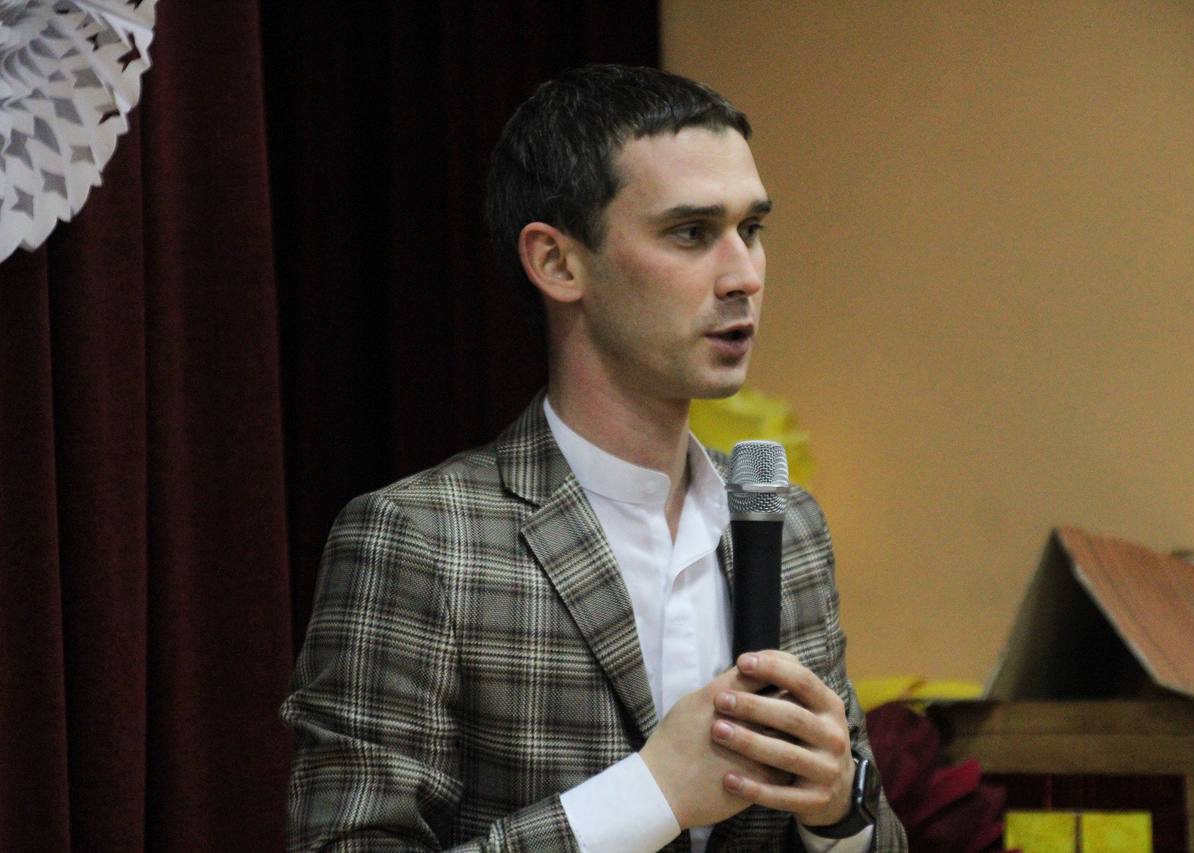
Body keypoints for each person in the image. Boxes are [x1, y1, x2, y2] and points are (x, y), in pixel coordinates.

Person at [281, 64, 906, 852]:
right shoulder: (420, 539)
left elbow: (872, 831)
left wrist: (837, 814)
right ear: (557, 263)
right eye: (691, 232)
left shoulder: (789, 525)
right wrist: (650, 794)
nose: (744, 275)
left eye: (751, 229)